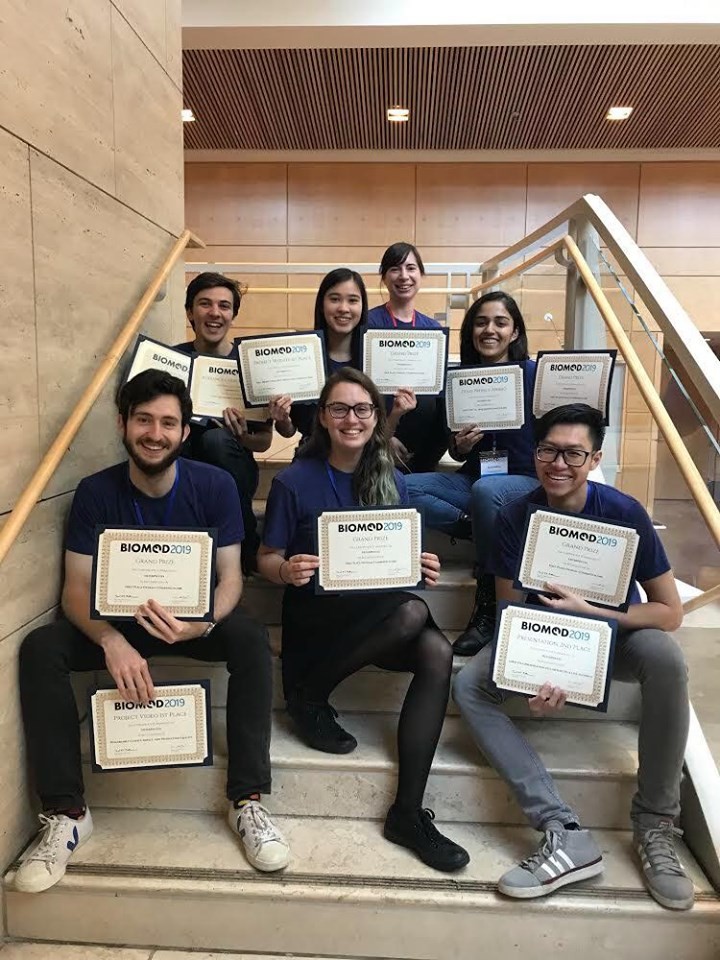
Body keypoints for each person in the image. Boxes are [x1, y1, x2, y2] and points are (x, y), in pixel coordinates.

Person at [15, 369, 289, 894]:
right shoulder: (95, 492)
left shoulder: (216, 486)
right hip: (116, 626)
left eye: (168, 422)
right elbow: (76, 588)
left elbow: (232, 577)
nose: (155, 433)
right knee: (40, 646)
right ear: (123, 424)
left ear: (186, 432)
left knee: (251, 638)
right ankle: (66, 814)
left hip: (191, 621)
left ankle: (248, 802)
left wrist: (201, 623)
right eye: (144, 420)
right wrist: (111, 640)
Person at [453, 403, 693, 911]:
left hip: (611, 637)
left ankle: (655, 825)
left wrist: (599, 610)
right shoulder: (515, 516)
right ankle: (562, 828)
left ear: (594, 457)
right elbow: (509, 610)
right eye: (547, 451)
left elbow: (669, 612)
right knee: (470, 684)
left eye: (572, 453)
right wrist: (546, 668)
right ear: (534, 453)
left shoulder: (624, 513)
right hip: (544, 638)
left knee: (667, 660)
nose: (557, 464)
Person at [258, 367, 469, 873]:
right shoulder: (293, 481)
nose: (351, 419)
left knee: (436, 649)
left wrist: (420, 562)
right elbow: (265, 557)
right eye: (339, 409)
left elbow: (393, 554)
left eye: (362, 409)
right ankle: (309, 691)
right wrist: (284, 568)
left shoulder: (391, 477)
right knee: (413, 612)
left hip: (378, 613)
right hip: (319, 616)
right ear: (323, 419)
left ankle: (407, 812)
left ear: (376, 417)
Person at [406, 292, 540, 656]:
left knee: (487, 491)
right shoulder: (461, 378)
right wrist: (461, 447)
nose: (489, 330)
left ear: (515, 332)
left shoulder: (536, 377)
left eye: (500, 322)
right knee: (397, 485)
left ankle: (487, 603)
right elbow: (455, 450)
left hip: (526, 484)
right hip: (474, 482)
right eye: (481, 322)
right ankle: (479, 524)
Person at [176, 271, 273, 574]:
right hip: (185, 466)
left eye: (224, 306)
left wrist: (242, 435)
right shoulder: (173, 360)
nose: (215, 313)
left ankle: (244, 545)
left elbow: (265, 442)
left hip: (233, 467)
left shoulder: (249, 364)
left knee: (215, 441)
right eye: (205, 304)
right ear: (190, 311)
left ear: (233, 314)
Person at [269, 267, 415, 447]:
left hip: (363, 462)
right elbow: (289, 431)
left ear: (363, 307)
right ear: (322, 305)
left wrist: (396, 413)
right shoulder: (302, 357)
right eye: (335, 299)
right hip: (314, 457)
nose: (343, 308)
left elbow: (378, 439)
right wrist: (282, 419)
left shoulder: (377, 359)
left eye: (353, 300)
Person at [367, 242, 447, 472]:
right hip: (379, 440)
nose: (404, 276)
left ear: (421, 274)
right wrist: (386, 437)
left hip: (424, 447)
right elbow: (362, 390)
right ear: (383, 277)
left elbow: (437, 391)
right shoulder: (369, 324)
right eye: (395, 269)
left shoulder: (432, 329)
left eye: (411, 268)